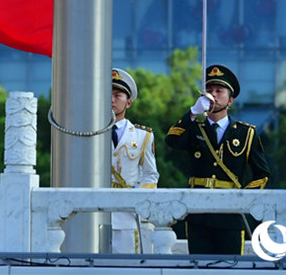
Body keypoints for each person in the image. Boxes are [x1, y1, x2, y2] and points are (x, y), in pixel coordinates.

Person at [164, 64, 270, 255]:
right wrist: (193, 113)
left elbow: (261, 174)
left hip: (230, 214)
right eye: (209, 91)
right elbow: (172, 140)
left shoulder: (246, 133)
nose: (212, 95)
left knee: (230, 268)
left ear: (230, 100)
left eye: (219, 91)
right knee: (199, 267)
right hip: (198, 213)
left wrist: (243, 198)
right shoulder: (196, 128)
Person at [109, 68, 159, 253]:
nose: (112, 99)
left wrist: (136, 197)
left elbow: (151, 175)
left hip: (127, 214)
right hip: (96, 212)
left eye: (118, 95)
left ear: (128, 102)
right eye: (108, 94)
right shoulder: (91, 132)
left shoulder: (142, 135)